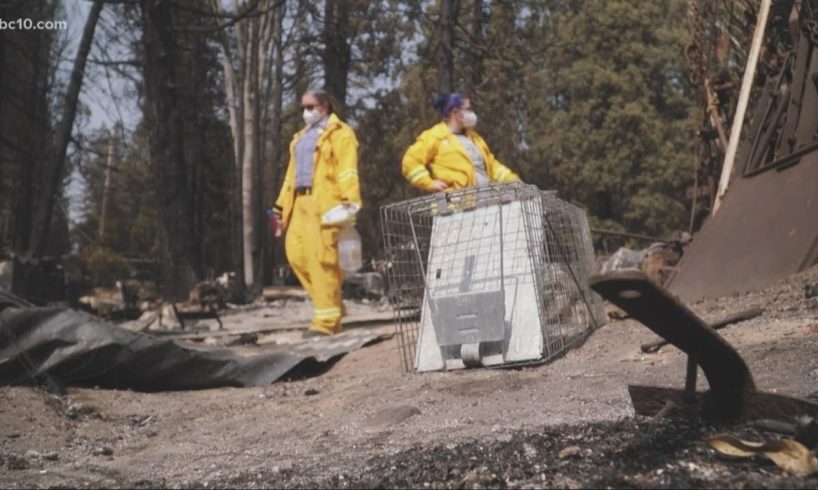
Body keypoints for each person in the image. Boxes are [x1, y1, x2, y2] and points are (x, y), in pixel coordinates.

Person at [272, 89, 361, 337]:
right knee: (297, 255)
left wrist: (349, 201)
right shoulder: (300, 137)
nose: (305, 111)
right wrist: (280, 207)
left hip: (325, 203)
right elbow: (291, 176)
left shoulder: (341, 134)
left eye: (310, 106)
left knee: (322, 260)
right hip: (299, 202)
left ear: (325, 106)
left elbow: (348, 170)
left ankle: (326, 323)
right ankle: (332, 305)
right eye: (303, 107)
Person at [402, 93, 520, 192]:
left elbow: (492, 165)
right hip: (454, 209)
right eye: (468, 109)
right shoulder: (435, 135)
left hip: (483, 205)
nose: (472, 113)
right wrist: (429, 183)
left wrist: (513, 180)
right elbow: (410, 161)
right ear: (456, 113)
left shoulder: (474, 138)